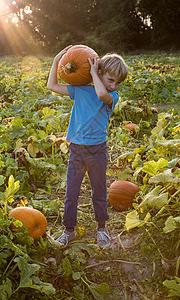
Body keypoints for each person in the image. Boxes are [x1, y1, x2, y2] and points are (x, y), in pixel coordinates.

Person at [47, 45, 128, 248]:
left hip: (97, 151)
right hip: (77, 150)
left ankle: (102, 228)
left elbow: (101, 95)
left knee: (98, 192)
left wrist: (94, 74)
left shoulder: (112, 97)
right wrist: (56, 61)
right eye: (111, 80)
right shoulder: (80, 91)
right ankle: (68, 230)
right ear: (100, 73)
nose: (114, 86)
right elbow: (52, 86)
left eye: (118, 82)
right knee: (71, 193)